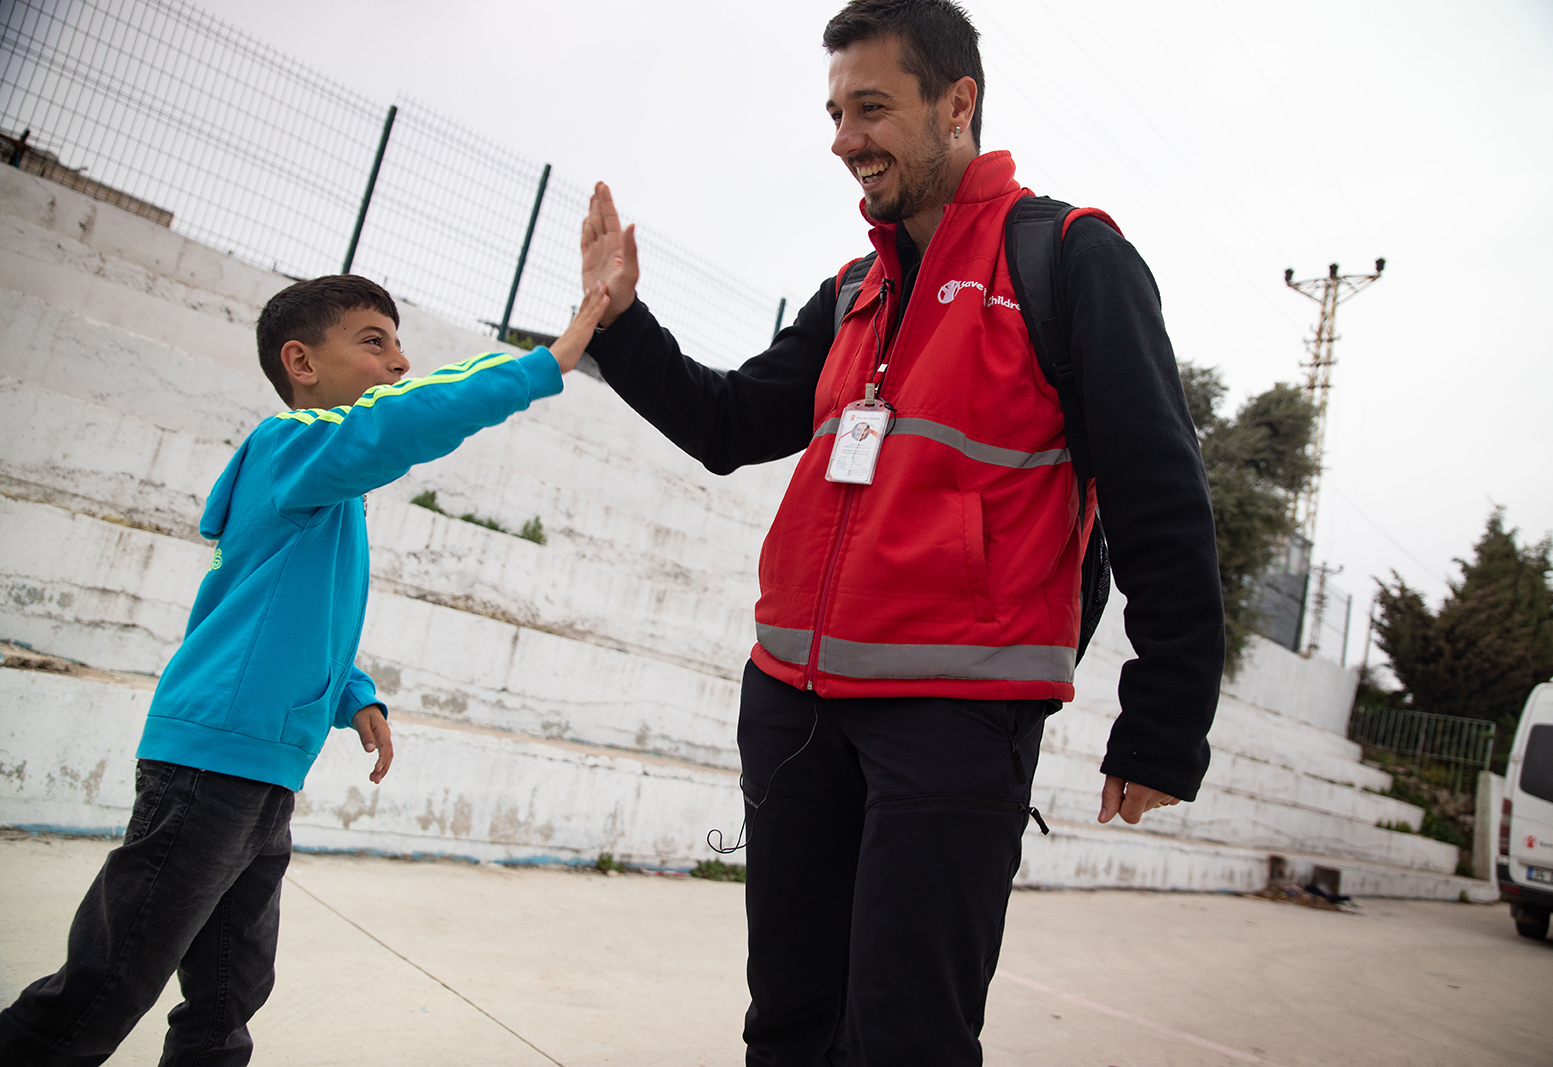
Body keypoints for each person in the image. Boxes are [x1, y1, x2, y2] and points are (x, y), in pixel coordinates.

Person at [581, 0, 1224, 1062]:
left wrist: (1163, 720)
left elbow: (1162, 496)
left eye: (870, 108)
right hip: (791, 706)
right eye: (835, 112)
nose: (844, 140)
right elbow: (727, 423)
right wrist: (619, 320)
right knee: (787, 1020)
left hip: (955, 718)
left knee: (904, 1036)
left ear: (957, 103)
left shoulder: (1071, 258)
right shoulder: (852, 291)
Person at [0, 274, 609, 1066]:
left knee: (226, 996)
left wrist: (356, 696)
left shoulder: (323, 486)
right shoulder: (294, 448)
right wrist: (548, 361)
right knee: (107, 983)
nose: (399, 360)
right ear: (301, 362)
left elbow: (298, 618)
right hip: (210, 763)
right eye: (374, 341)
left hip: (263, 774)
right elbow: (397, 423)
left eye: (399, 341)